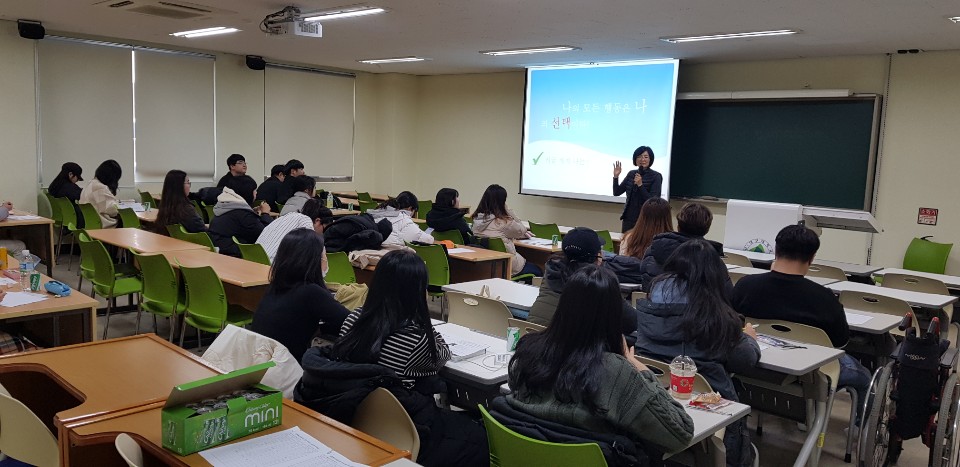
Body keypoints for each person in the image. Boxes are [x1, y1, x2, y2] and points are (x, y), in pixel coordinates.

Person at [298, 250, 488, 467]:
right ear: (417, 292)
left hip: (358, 418)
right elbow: (443, 355)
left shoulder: (353, 319)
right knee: (479, 438)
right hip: (406, 430)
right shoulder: (416, 340)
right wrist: (422, 319)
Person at [506, 264, 693, 455]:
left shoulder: (528, 351)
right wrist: (639, 367)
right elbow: (681, 433)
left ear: (563, 305)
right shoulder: (616, 372)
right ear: (615, 315)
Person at [636, 239, 760, 466]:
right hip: (710, 416)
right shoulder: (717, 318)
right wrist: (749, 339)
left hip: (656, 409)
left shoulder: (646, 310)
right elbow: (745, 360)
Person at [732, 224, 871, 420]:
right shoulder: (824, 298)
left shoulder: (745, 286)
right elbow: (840, 343)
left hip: (756, 362)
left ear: (776, 250)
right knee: (866, 379)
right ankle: (859, 428)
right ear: (812, 258)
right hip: (812, 373)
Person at [252, 228, 349, 363]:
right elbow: (349, 321)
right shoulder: (310, 292)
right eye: (324, 256)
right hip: (287, 368)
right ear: (314, 260)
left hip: (260, 362)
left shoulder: (274, 287)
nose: (326, 261)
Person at [528, 228, 638, 341]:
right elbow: (632, 322)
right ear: (598, 258)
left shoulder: (551, 270)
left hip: (535, 334)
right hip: (571, 345)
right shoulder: (599, 282)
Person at [638, 202, 724, 291]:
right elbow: (724, 293)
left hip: (653, 298)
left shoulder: (652, 249)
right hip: (694, 300)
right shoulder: (711, 258)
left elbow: (645, 282)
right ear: (707, 229)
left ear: (678, 225)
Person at [471, 184, 541, 277]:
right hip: (508, 265)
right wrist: (508, 211)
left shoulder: (476, 220)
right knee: (538, 270)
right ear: (502, 202)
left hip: (487, 266)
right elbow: (522, 229)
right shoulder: (504, 222)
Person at [257, 198, 333, 262]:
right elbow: (319, 255)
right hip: (272, 267)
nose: (323, 234)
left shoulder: (288, 216)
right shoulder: (306, 222)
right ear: (317, 221)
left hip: (255, 261)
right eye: (324, 229)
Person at [208, 187, 272, 257]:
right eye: (254, 190)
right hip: (235, 255)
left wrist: (252, 212)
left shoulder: (224, 207)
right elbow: (266, 235)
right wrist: (265, 213)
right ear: (247, 193)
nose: (256, 193)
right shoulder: (244, 215)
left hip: (220, 250)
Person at [613, 146, 663, 233]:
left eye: (646, 157)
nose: (642, 159)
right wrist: (616, 177)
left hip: (645, 219)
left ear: (650, 159)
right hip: (628, 218)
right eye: (639, 157)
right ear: (635, 159)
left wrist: (640, 185)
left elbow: (653, 201)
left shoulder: (656, 176)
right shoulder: (631, 174)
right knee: (626, 240)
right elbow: (616, 192)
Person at [367, 191, 434, 247]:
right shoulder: (403, 218)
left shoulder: (378, 212)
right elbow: (427, 239)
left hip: (368, 251)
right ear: (410, 208)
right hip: (388, 254)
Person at [153, 170, 205, 235]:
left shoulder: (165, 206)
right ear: (179, 186)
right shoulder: (186, 209)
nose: (189, 185)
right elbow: (201, 230)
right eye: (188, 182)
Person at [79, 159, 122, 228]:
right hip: (104, 226)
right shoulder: (99, 188)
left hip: (91, 224)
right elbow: (113, 210)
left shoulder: (91, 183)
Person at [47, 162, 84, 227]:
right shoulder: (70, 187)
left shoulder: (53, 186)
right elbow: (82, 196)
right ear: (70, 174)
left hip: (62, 218)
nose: (77, 180)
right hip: (75, 220)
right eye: (77, 177)